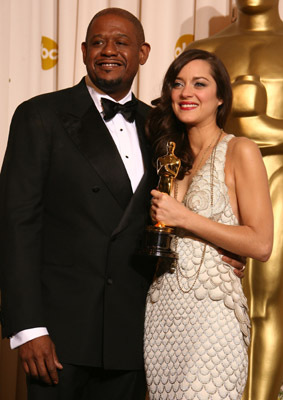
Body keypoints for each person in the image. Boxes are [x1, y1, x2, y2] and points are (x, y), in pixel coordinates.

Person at [0, 8, 246, 400]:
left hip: (134, 332)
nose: (108, 50)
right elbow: (15, 226)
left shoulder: (162, 127)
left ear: (143, 53)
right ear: (83, 51)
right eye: (98, 42)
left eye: (121, 42)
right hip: (59, 336)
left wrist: (221, 254)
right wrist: (28, 328)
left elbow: (179, 214)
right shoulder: (40, 116)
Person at [144, 49, 273, 399]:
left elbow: (261, 244)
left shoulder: (240, 150)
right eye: (178, 83)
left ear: (220, 98)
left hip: (214, 314)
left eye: (200, 84)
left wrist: (184, 218)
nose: (187, 93)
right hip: (162, 315)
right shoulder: (167, 158)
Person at [187, 1, 283, 398]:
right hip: (213, 186)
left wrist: (257, 122)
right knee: (207, 302)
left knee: (267, 303)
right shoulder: (206, 50)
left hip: (278, 179)